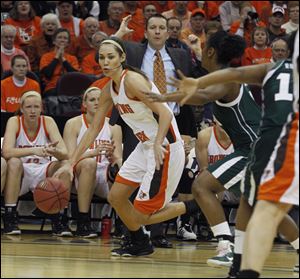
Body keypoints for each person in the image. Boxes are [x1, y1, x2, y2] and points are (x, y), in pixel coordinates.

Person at [146, 30, 299, 270]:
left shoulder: (225, 81)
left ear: (210, 52)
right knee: (262, 205)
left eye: (205, 47)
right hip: (257, 148)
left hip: (252, 150)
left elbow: (205, 95)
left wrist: (166, 96)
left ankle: (226, 247)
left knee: (202, 185)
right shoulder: (225, 76)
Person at [54, 36, 202, 257]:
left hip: (164, 148)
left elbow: (165, 112)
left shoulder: (132, 81)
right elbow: (93, 129)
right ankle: (140, 242)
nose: (105, 62)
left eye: (110, 57)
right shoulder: (108, 89)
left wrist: (158, 143)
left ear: (122, 58)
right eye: (102, 57)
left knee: (142, 215)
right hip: (145, 146)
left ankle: (196, 204)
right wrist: (71, 163)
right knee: (116, 197)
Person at [237, 30, 299, 278]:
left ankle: (239, 263)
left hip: (267, 142)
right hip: (273, 141)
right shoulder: (267, 72)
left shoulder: (268, 73)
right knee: (261, 205)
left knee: (262, 205)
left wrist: (198, 84)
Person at [2, 91, 72, 236]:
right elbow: (6, 152)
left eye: (36, 107)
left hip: (43, 170)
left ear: (41, 108)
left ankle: (59, 218)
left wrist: (53, 151)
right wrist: (35, 150)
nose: (33, 111)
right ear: (21, 108)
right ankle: (10, 216)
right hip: (20, 173)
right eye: (28, 107)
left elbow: (64, 153)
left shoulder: (48, 121)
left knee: (63, 168)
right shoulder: (14, 121)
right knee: (14, 162)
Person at [63, 87, 122, 237]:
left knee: (121, 167)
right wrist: (92, 153)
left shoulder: (114, 127)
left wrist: (112, 156)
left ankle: (123, 223)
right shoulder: (73, 123)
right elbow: (70, 158)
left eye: (100, 100)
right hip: (79, 174)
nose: (97, 103)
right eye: (92, 100)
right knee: (90, 163)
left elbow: (118, 159)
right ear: (84, 103)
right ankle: (83, 223)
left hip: (104, 176)